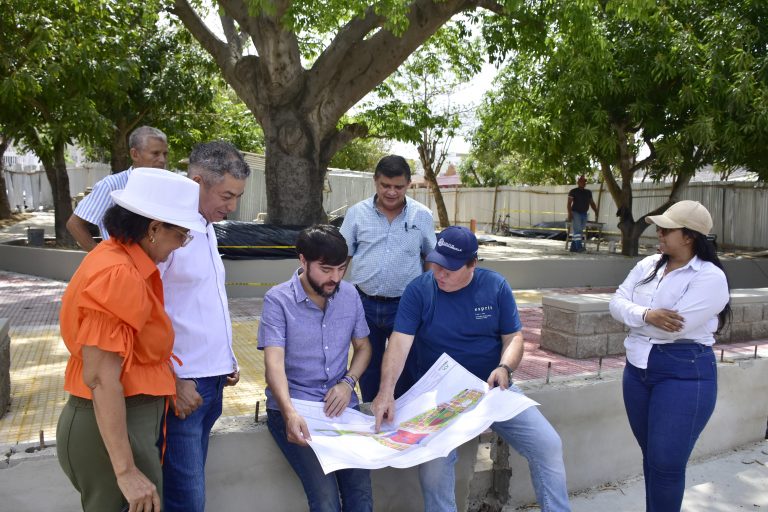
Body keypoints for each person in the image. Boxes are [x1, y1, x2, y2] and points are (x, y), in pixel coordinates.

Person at [372, 226, 571, 512]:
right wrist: (386, 392)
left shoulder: (495, 286)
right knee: (434, 468)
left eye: (449, 269)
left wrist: (505, 367)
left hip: (491, 388)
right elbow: (399, 345)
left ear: (473, 264)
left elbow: (513, 337)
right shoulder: (419, 290)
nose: (439, 273)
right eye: (436, 264)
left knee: (548, 444)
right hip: (438, 397)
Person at [56, 167, 206, 512]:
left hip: (123, 424)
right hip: (112, 428)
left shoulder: (121, 259)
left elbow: (135, 350)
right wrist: (124, 471)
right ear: (154, 229)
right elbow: (101, 377)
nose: (181, 245)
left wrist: (172, 382)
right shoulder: (119, 273)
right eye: (181, 235)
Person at [609, 200, 730, 511]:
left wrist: (636, 318)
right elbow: (615, 303)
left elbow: (672, 330)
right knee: (652, 457)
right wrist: (647, 314)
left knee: (665, 463)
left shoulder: (709, 277)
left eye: (666, 229)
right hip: (638, 370)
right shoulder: (648, 266)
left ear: (689, 236)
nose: (658, 233)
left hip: (684, 372)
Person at [158, 140, 251, 512]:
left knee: (190, 493)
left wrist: (225, 358)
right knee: (187, 500)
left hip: (212, 382)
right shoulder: (168, 230)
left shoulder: (208, 225)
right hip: (183, 388)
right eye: (227, 195)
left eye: (236, 197)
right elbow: (144, 312)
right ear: (198, 181)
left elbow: (203, 302)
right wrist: (171, 381)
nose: (232, 207)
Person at [258, 225, 373, 512]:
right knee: (325, 499)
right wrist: (289, 412)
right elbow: (273, 365)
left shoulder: (349, 295)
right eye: (326, 269)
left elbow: (364, 348)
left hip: (342, 406)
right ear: (303, 260)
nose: (335, 277)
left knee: (360, 492)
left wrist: (348, 383)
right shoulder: (278, 299)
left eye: (341, 268)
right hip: (294, 407)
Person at [340, 155, 436, 402]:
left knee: (405, 361)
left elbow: (430, 258)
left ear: (408, 185)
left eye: (398, 186)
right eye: (385, 185)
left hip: (406, 304)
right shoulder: (356, 214)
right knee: (367, 360)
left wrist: (429, 297)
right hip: (363, 303)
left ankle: (400, 411)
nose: (391, 192)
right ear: (375, 182)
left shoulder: (422, 216)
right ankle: (372, 410)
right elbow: (342, 257)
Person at [67, 126, 169, 250]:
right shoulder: (111, 185)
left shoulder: (165, 188)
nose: (162, 160)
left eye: (165, 154)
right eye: (155, 153)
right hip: (122, 267)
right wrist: (102, 258)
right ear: (135, 154)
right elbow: (74, 224)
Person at [566, 175, 598, 252]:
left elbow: (592, 203)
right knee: (577, 230)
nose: (583, 183)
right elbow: (569, 203)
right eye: (582, 181)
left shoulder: (588, 192)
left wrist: (596, 211)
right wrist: (570, 213)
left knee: (579, 231)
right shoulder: (573, 191)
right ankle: (579, 247)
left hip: (584, 213)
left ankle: (573, 248)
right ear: (578, 182)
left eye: (584, 181)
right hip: (575, 212)